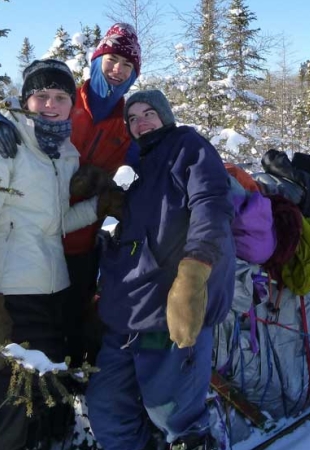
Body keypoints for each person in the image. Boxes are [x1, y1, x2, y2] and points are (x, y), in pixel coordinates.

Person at [0, 59, 123, 450]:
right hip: (4, 295)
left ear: (71, 104)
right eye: (41, 95)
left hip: (51, 292)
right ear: (25, 99)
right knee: (0, 410)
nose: (50, 104)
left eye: (60, 96)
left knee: (41, 402)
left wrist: (100, 206)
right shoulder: (1, 143)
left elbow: (55, 222)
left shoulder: (63, 153)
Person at [85, 89, 235, 450]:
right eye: (132, 118)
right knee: (106, 409)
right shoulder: (142, 169)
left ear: (165, 115)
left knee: (173, 414)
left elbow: (211, 205)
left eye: (148, 113)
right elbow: (141, 238)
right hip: (127, 314)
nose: (140, 122)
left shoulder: (188, 146)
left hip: (168, 311)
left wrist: (194, 273)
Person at [0, 23, 142, 367]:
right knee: (35, 339)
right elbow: (23, 113)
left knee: (73, 330)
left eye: (127, 65)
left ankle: (73, 400)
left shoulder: (126, 124)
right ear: (97, 59)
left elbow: (159, 151)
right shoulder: (66, 99)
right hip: (30, 246)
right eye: (112, 59)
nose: (118, 70)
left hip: (80, 243)